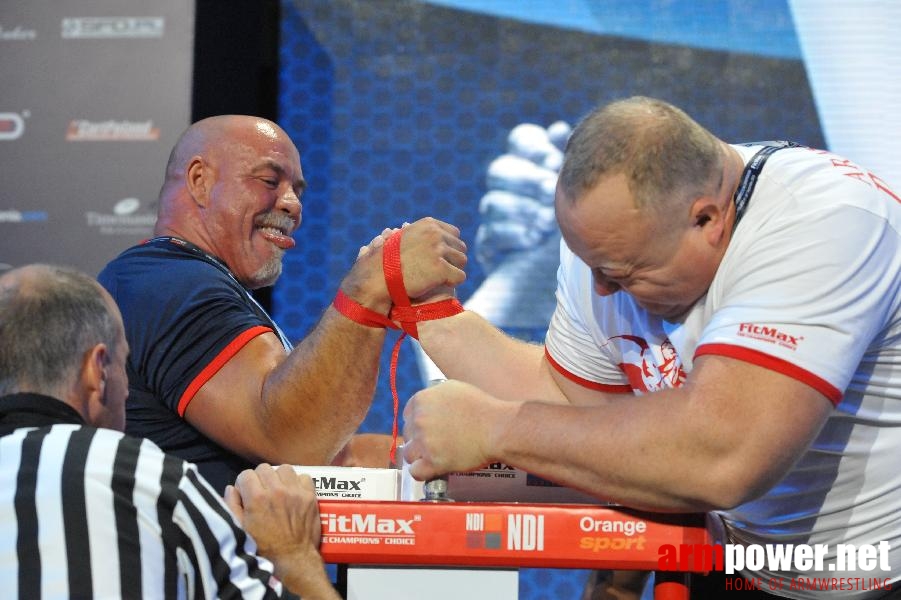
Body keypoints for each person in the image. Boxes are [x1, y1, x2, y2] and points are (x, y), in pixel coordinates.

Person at [402, 96, 901, 598]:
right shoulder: (609, 243)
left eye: (620, 273)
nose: (599, 288)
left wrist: (496, 429)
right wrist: (432, 313)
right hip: (741, 566)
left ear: (706, 220)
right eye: (592, 264)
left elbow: (722, 458)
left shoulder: (826, 222)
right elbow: (582, 411)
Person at [98, 114, 467, 492]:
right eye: (269, 181)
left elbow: (338, 454)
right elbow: (294, 441)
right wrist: (370, 286)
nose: (292, 204)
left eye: (298, 190)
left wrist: (476, 458)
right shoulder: (167, 282)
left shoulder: (193, 283)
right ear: (200, 181)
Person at [0, 263, 340, 599]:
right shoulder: (146, 478)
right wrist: (292, 555)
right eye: (124, 364)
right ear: (97, 370)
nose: (128, 391)